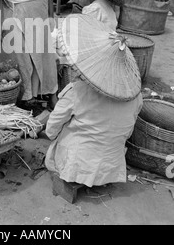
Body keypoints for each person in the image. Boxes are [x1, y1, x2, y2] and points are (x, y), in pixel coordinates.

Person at [45, 13, 143, 189]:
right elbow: (127, 130)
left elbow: (52, 127)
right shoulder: (135, 94)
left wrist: (52, 135)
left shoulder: (78, 91)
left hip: (78, 166)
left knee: (56, 143)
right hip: (110, 165)